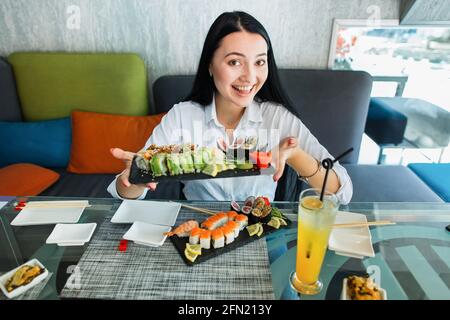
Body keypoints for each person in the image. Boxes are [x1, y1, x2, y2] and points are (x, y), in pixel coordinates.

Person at [107, 11, 352, 204]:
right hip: (200, 229)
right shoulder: (182, 117)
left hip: (262, 231)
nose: (250, 76)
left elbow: (343, 190)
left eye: (259, 62)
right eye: (234, 62)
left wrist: (297, 156)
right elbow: (123, 194)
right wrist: (135, 179)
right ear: (210, 65)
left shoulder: (277, 118)